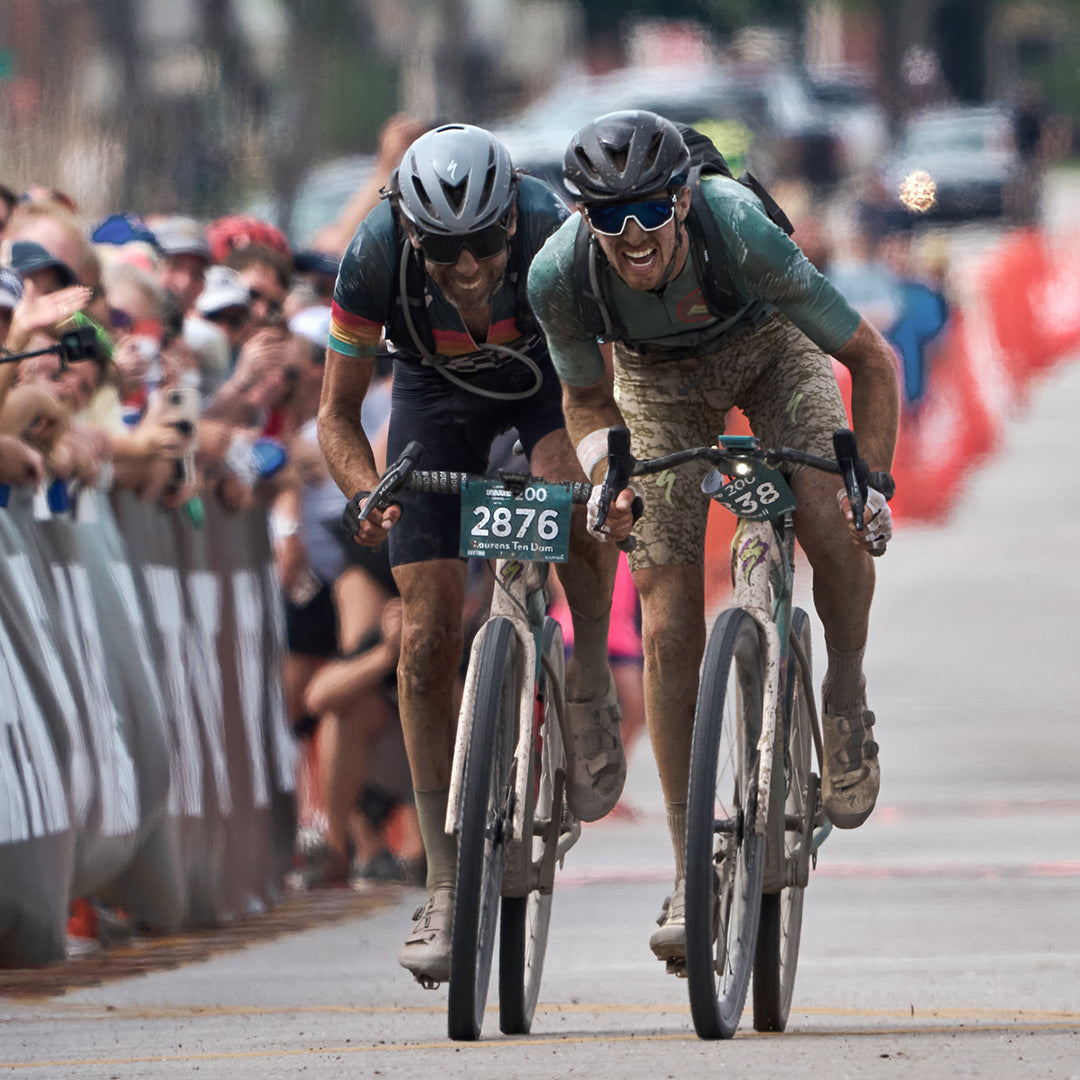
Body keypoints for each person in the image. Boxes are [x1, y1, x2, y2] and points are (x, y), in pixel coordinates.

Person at [526, 110, 900, 968]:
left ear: (684, 201)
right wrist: (605, 475)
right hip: (655, 386)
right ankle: (692, 870)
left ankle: (843, 694)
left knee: (831, 524)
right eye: (610, 219)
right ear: (583, 217)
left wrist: (868, 485)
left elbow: (873, 360)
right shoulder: (561, 275)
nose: (633, 236)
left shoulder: (739, 230)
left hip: (773, 350)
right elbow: (586, 401)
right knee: (664, 615)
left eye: (651, 213)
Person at [317, 123, 623, 985]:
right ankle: (445, 878)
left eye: (485, 246)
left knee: (576, 506)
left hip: (546, 383)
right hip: (431, 397)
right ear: (411, 234)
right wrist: (362, 493)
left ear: (509, 225)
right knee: (425, 636)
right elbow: (337, 416)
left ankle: (590, 677)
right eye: (446, 251)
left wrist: (601, 479)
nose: (468, 269)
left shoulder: (551, 231)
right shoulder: (372, 254)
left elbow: (599, 383)